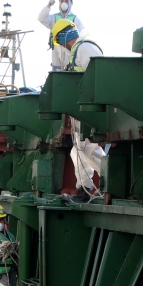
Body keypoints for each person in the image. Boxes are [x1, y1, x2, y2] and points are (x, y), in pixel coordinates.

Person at [51, 20, 107, 202]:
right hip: (81, 110)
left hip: (89, 110)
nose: (62, 47)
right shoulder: (77, 51)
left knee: (88, 149)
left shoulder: (85, 48)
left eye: (60, 42)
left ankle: (112, 180)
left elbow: (98, 77)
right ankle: (84, 188)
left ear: (64, 35)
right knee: (78, 151)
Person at [38, 0, 87, 71]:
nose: (64, 3)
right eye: (62, 1)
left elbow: (82, 34)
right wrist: (49, 5)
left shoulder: (74, 19)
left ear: (70, 3)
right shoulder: (54, 17)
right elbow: (41, 19)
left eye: (66, 1)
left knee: (70, 68)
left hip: (70, 48)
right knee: (57, 70)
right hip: (56, 47)